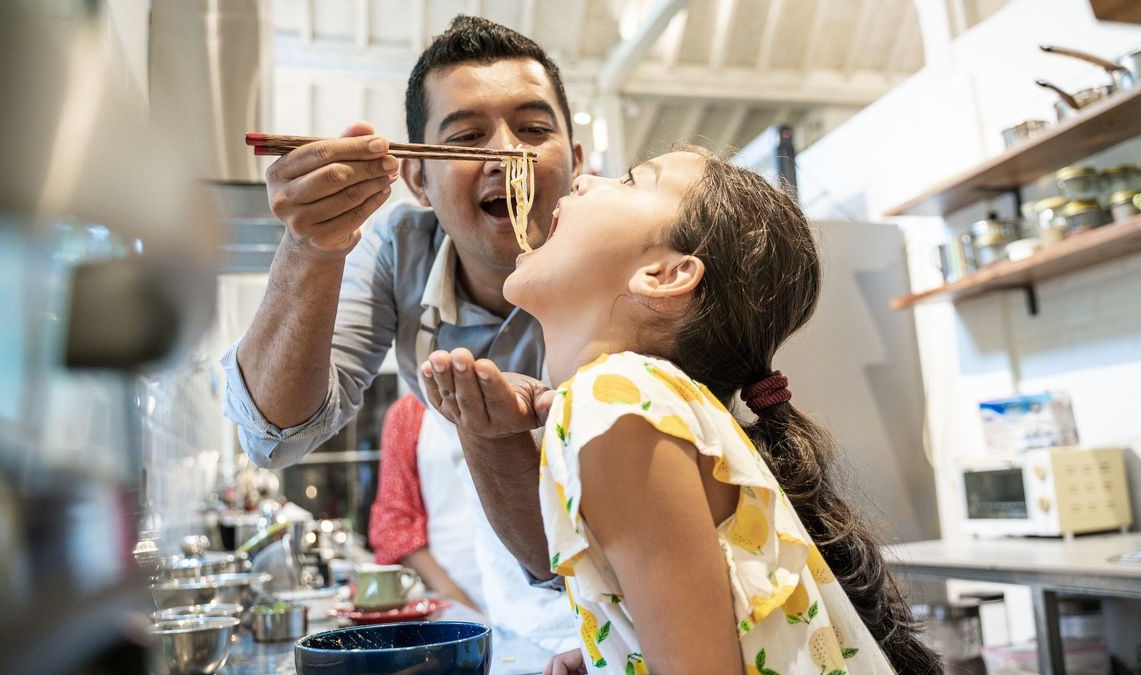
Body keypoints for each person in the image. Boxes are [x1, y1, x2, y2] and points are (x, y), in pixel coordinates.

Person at [422, 149, 943, 674]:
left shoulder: (619, 400)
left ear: (665, 274)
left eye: (629, 181)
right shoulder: (634, 400)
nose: (583, 183)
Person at [220, 15, 581, 649]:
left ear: (576, 162)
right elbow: (274, 436)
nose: (506, 153)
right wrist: (311, 245)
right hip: (513, 572)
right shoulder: (397, 251)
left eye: (533, 129)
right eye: (467, 136)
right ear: (417, 178)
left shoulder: (626, 254)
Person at [368, 395, 480, 611]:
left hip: (540, 602)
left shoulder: (532, 386)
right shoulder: (409, 412)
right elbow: (395, 526)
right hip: (452, 593)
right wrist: (459, 604)